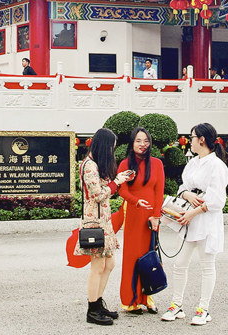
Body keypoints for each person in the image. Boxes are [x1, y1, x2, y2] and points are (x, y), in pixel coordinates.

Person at [161, 123, 228, 326]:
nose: (189, 141)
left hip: (205, 220)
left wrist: (194, 212)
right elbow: (183, 186)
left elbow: (217, 200)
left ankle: (203, 308)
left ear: (202, 140)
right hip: (189, 220)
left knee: (207, 265)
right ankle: (177, 304)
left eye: (191, 137)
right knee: (180, 264)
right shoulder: (192, 163)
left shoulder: (217, 166)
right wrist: (187, 194)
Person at [77, 128, 134, 325]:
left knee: (109, 264)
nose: (112, 152)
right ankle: (92, 309)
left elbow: (104, 189)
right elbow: (98, 195)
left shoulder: (95, 165)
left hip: (104, 221)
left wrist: (120, 179)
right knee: (98, 265)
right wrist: (116, 182)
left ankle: (98, 303)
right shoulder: (89, 166)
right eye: (111, 148)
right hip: (95, 222)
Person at [116, 127, 165, 314]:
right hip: (134, 215)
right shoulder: (125, 164)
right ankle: (130, 301)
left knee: (149, 258)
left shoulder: (157, 164)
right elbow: (122, 190)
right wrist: (136, 201)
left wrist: (156, 216)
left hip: (151, 217)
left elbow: (158, 192)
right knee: (132, 258)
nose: (142, 144)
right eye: (138, 140)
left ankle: (148, 298)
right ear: (132, 143)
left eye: (145, 141)